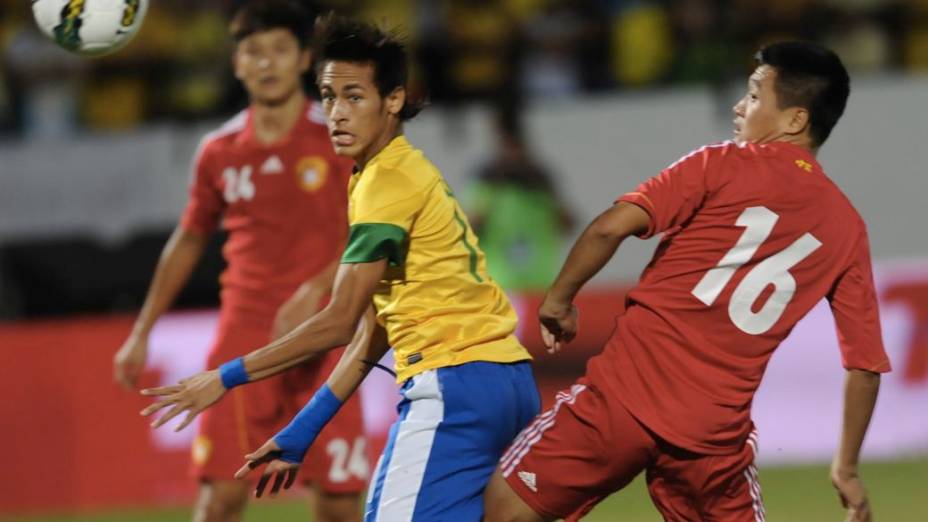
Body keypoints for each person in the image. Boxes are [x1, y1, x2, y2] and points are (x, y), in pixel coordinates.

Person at [140, 16, 540, 521]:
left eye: (354, 97)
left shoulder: (382, 185)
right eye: (329, 96)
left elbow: (338, 321)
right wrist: (302, 430)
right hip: (507, 381)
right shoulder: (402, 170)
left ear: (393, 100)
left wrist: (225, 376)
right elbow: (371, 333)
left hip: (452, 387)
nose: (336, 113)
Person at [484, 41, 891, 522]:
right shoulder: (846, 227)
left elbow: (610, 226)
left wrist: (559, 299)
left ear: (795, 120)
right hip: (711, 440)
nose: (740, 106)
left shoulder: (722, 162)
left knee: (502, 513)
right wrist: (846, 466)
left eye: (756, 95)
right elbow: (864, 366)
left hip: (621, 401)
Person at [112, 3, 368, 521]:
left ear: (303, 61)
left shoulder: (341, 137)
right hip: (245, 333)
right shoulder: (219, 150)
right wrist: (142, 330)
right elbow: (188, 239)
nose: (266, 63)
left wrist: (315, 288)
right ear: (237, 64)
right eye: (253, 52)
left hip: (327, 334)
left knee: (340, 505)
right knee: (220, 501)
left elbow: (377, 230)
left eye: (279, 49)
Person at [466, 109, 572, 291]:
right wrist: (493, 189)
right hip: (502, 286)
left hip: (541, 284)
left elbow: (567, 224)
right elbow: (469, 229)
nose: (513, 155)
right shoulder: (487, 182)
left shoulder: (539, 182)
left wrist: (548, 193)